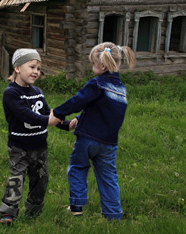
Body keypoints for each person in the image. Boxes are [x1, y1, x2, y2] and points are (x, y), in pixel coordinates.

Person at [52, 42, 136, 220]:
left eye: (93, 64)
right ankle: (113, 214)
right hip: (109, 143)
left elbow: (78, 101)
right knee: (108, 176)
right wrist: (79, 119)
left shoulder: (97, 84)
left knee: (78, 168)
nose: (92, 68)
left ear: (103, 66)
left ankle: (76, 207)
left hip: (88, 139)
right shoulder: (121, 90)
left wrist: (57, 113)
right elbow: (104, 112)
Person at [0, 48, 64, 225]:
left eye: (38, 68)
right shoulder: (11, 93)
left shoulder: (38, 92)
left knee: (41, 179)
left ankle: (33, 211)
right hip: (19, 146)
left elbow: (47, 113)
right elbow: (25, 115)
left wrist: (66, 124)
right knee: (16, 179)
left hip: (40, 146)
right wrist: (48, 121)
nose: (36, 72)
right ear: (18, 68)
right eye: (32, 66)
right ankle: (8, 213)